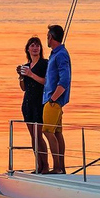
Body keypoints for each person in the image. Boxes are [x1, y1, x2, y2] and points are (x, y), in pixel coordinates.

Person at [16, 36, 49, 173]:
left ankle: (45, 165)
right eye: (32, 46)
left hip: (39, 102)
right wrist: (22, 76)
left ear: (40, 48)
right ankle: (38, 165)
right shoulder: (26, 66)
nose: (35, 48)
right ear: (28, 49)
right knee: (33, 136)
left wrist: (30, 74)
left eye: (37, 45)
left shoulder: (44, 64)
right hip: (28, 103)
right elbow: (23, 87)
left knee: (39, 135)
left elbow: (46, 82)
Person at [43, 24, 71, 174]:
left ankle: (57, 167)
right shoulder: (55, 53)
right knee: (57, 132)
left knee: (48, 131)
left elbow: (64, 80)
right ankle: (61, 167)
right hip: (53, 100)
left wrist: (53, 99)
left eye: (47, 36)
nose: (46, 39)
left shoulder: (60, 55)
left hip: (53, 100)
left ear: (51, 37)